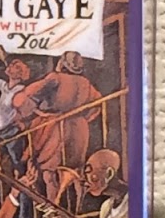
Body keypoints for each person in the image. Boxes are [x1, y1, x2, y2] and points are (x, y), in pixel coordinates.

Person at [14, 53, 101, 203]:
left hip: (54, 126)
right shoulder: (85, 83)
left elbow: (25, 98)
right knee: (75, 169)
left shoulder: (56, 78)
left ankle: (53, 207)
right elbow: (97, 104)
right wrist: (85, 118)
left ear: (62, 63)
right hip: (79, 127)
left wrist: (37, 112)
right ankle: (77, 207)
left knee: (49, 171)